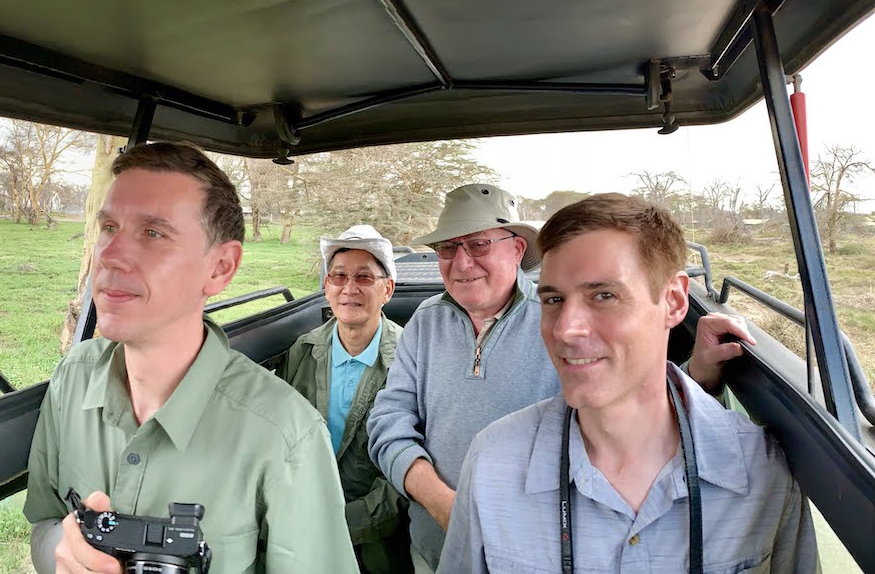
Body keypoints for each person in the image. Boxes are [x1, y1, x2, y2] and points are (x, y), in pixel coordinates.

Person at [366, 184, 749, 572]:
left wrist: (699, 375)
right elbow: (389, 418)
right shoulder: (425, 322)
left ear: (517, 249)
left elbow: (632, 402)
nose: (462, 262)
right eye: (447, 248)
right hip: (434, 546)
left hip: (541, 552)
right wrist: (441, 502)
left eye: (479, 244)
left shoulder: (558, 321)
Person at [23, 142, 358, 574]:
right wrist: (64, 553)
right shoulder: (73, 376)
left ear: (220, 268)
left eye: (152, 233)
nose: (109, 256)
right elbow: (44, 520)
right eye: (108, 227)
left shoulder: (286, 436)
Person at [438, 193, 817, 572]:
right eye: (553, 299)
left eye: (603, 295)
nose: (566, 330)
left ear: (672, 301)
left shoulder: (764, 467)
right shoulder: (492, 464)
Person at [275, 224, 413, 574]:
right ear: (326, 287)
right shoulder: (301, 353)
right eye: (338, 276)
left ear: (388, 290)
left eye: (364, 277)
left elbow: (408, 469)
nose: (349, 288)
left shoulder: (410, 361)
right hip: (301, 523)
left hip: (377, 536)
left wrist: (342, 523)